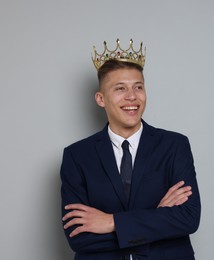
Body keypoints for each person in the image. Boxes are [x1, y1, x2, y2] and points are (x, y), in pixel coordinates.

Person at [60, 38, 201, 260]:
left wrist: (111, 222)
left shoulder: (175, 145)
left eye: (138, 87)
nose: (132, 96)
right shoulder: (77, 156)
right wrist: (157, 218)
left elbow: (188, 218)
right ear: (100, 99)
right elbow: (78, 237)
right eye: (120, 88)